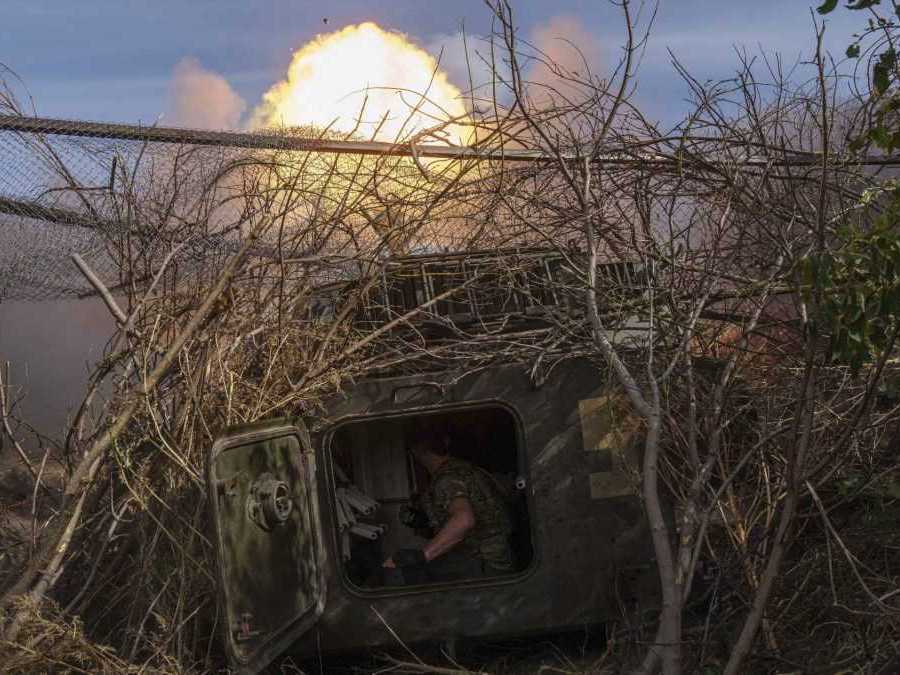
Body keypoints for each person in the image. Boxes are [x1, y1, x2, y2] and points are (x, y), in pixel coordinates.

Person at [382, 427, 514, 583]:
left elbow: (464, 520)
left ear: (418, 452)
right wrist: (426, 522)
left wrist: (422, 556)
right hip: (499, 561)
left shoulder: (446, 478)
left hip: (481, 566)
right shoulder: (469, 469)